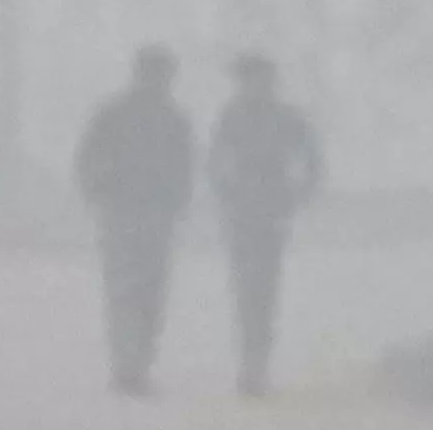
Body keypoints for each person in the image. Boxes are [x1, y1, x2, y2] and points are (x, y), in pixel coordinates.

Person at [74, 45, 196, 395]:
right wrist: (99, 194)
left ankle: (137, 364)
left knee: (146, 295)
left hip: (152, 214)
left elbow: (185, 167)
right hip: (124, 212)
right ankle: (129, 366)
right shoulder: (117, 115)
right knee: (128, 292)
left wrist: (177, 202)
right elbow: (87, 158)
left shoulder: (172, 119)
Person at [202, 53, 326, 400]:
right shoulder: (231, 116)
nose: (251, 86)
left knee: (264, 290)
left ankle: (257, 363)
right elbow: (213, 161)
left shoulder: (286, 117)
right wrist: (225, 193)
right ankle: (250, 362)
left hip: (271, 210)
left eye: (256, 78)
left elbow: (313, 159)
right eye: (247, 79)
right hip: (242, 211)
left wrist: (298, 194)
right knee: (246, 288)